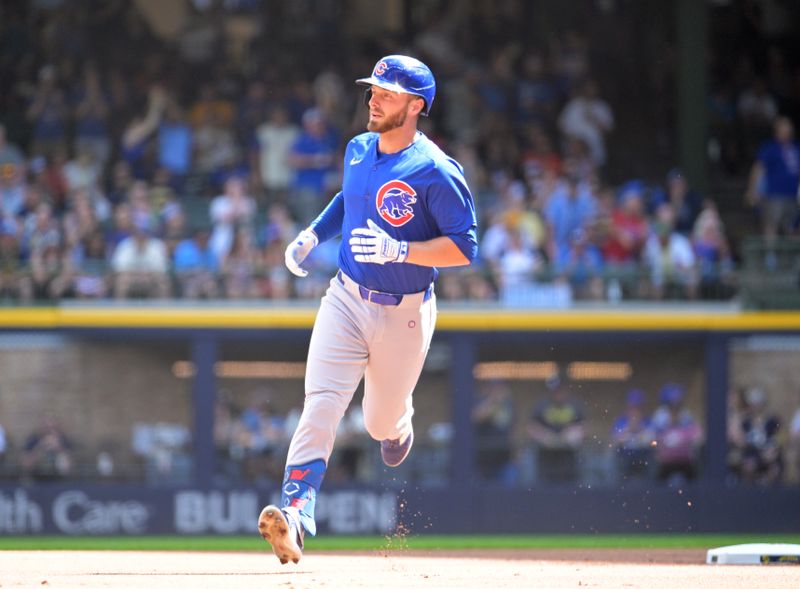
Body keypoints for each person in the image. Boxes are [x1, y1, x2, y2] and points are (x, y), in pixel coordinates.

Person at [258, 55, 477, 565]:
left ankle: (400, 422)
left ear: (416, 105)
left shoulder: (437, 170)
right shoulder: (358, 149)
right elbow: (349, 198)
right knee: (322, 402)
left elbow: (465, 248)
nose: (374, 97)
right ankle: (294, 515)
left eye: (388, 92)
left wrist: (403, 251)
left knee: (380, 424)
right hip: (347, 296)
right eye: (374, 88)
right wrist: (313, 233)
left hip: (405, 312)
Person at [526, 374, 585, 484]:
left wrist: (570, 434)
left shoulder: (575, 405)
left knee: (570, 486)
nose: (558, 393)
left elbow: (584, 426)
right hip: (546, 457)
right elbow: (531, 426)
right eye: (555, 390)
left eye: (560, 390)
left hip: (569, 457)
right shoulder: (542, 405)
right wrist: (545, 436)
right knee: (546, 486)